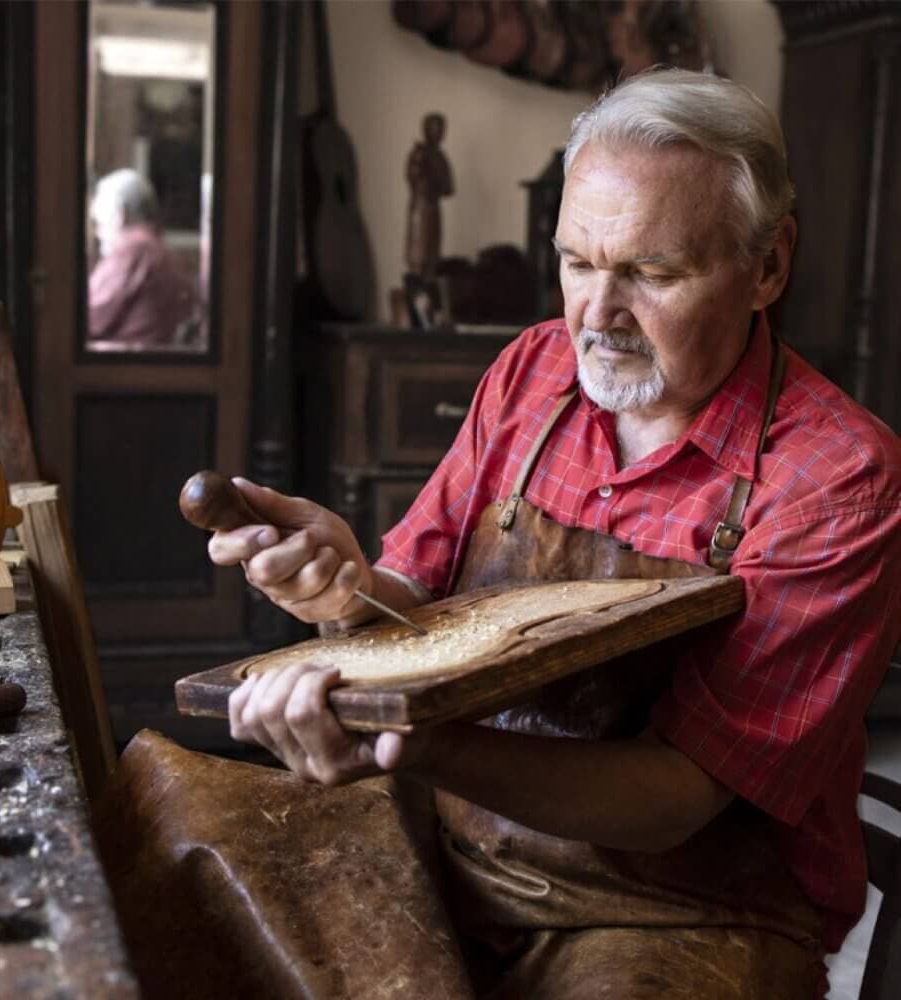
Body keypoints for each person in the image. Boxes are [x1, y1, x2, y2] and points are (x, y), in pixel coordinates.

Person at [105, 69, 901, 998]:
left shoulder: (838, 481)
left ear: (768, 266)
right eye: (577, 261)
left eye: (651, 272)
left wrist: (415, 743)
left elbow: (675, 798)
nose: (597, 317)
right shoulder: (532, 373)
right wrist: (340, 592)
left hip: (675, 905)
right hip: (448, 836)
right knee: (170, 828)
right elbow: (408, 605)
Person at [87, 168, 200, 347]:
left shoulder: (133, 249)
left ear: (118, 216)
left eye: (99, 223)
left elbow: (86, 318)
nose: (97, 233)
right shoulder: (157, 247)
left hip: (123, 370)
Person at [404, 112, 454, 279]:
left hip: (433, 210)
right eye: (436, 128)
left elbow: (448, 188)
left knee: (433, 258)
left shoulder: (439, 156)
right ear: (426, 129)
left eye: (442, 129)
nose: (440, 133)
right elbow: (413, 178)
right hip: (421, 209)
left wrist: (436, 176)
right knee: (418, 258)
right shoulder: (419, 153)